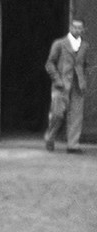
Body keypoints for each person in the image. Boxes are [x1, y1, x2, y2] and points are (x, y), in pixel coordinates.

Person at [44, 18, 88, 153]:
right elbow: (49, 64)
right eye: (75, 27)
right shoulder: (59, 44)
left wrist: (83, 79)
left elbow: (84, 64)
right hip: (61, 84)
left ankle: (72, 145)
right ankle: (50, 137)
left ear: (83, 30)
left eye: (80, 28)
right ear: (70, 28)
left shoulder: (84, 46)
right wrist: (57, 80)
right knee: (57, 114)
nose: (77, 30)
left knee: (76, 115)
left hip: (77, 85)